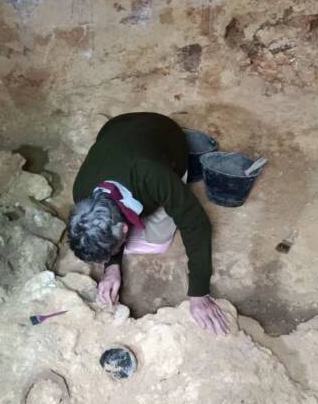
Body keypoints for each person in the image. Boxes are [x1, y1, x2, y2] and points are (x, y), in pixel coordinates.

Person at [68, 112, 229, 335]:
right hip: (116, 127)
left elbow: (196, 224)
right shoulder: (81, 194)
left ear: (125, 228)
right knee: (138, 237)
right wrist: (111, 269)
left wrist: (199, 294)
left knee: (157, 239)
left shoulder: (152, 175)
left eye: (114, 248)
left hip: (165, 133)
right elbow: (104, 232)